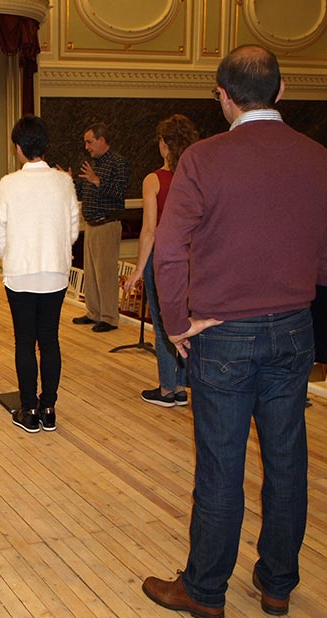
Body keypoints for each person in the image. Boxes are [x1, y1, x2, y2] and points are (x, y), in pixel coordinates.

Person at [143, 45, 327, 618]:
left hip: (224, 336)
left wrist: (176, 323)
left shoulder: (204, 160)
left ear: (222, 97)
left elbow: (169, 253)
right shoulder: (320, 158)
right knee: (287, 462)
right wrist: (325, 343)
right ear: (282, 92)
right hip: (295, 333)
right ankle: (277, 583)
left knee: (221, 466)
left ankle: (205, 590)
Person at [0, 115, 79, 434]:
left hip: (20, 273)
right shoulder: (63, 182)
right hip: (54, 271)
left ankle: (29, 410)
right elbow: (72, 230)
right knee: (50, 339)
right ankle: (50, 407)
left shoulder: (9, 183)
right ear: (45, 144)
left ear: (18, 147)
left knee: (25, 341)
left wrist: (11, 257)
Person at [122, 114, 199, 408]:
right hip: (194, 258)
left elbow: (150, 231)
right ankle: (183, 384)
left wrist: (138, 270)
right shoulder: (197, 176)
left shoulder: (154, 179)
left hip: (165, 258)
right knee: (188, 319)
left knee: (164, 322)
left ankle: (168, 389)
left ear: (165, 144)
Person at [70, 123, 130, 333]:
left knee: (106, 273)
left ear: (102, 140)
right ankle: (93, 312)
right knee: (93, 272)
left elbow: (120, 192)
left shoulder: (118, 163)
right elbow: (84, 190)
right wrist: (70, 181)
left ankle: (109, 318)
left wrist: (97, 180)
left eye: (90, 141)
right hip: (91, 224)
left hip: (107, 224)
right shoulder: (91, 164)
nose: (87, 147)